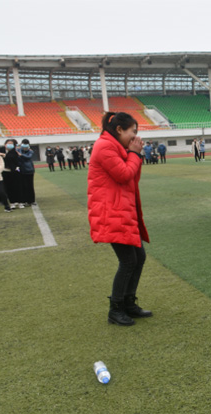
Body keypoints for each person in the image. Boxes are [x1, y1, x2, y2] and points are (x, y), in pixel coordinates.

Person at [87, 111, 152, 326]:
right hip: (111, 212)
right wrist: (134, 153)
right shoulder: (105, 146)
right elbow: (124, 174)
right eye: (132, 132)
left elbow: (132, 176)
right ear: (119, 130)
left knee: (138, 257)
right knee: (128, 260)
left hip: (120, 210)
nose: (135, 137)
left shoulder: (114, 146)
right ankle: (116, 309)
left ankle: (127, 303)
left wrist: (132, 153)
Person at [2, 138, 24, 208]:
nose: (9, 145)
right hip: (6, 171)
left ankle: (20, 202)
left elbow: (19, 161)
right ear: (5, 145)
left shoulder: (16, 152)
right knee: (9, 188)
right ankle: (12, 202)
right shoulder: (1, 151)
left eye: (11, 144)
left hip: (17, 170)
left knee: (18, 186)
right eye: (8, 143)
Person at [18, 139, 36, 206]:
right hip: (21, 170)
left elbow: (28, 157)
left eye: (26, 144)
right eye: (23, 144)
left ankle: (31, 200)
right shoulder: (18, 150)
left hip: (29, 170)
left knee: (30, 186)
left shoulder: (30, 151)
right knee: (23, 186)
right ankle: (24, 200)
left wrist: (21, 155)